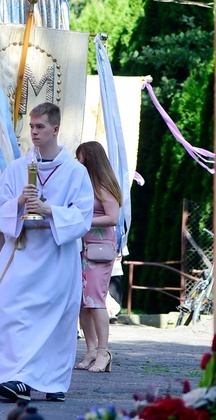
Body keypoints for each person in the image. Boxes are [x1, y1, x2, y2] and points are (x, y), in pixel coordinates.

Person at [0, 102, 94, 403]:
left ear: (56, 129)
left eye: (40, 127)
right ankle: (13, 377)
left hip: (55, 256)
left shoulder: (75, 172)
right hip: (21, 252)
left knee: (53, 320)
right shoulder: (17, 168)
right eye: (31, 127)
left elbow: (83, 215)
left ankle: (51, 380)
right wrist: (20, 202)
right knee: (11, 313)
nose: (33, 133)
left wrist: (48, 210)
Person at [73, 141, 122, 373]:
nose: (77, 162)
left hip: (99, 249)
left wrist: (83, 220)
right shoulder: (87, 185)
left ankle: (104, 351)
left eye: (80, 157)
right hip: (83, 247)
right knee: (83, 301)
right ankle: (91, 349)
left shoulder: (102, 186)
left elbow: (112, 217)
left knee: (95, 300)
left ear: (90, 159)